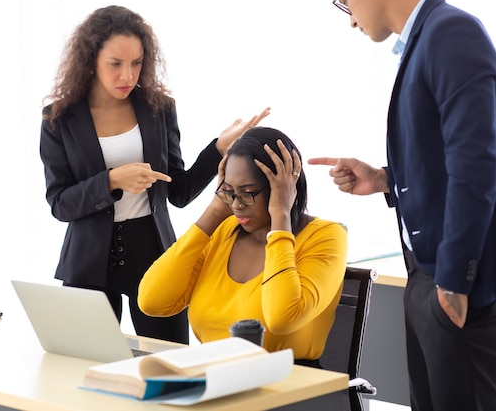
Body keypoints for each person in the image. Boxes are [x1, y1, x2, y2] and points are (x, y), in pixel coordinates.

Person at [308, 0, 496, 410]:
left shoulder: (450, 32)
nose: (351, 20)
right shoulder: (427, 39)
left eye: (343, 1)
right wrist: (383, 179)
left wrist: (453, 280)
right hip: (428, 275)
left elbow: (476, 167)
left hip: (461, 283)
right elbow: (445, 160)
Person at [40, 5, 269, 344]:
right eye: (115, 64)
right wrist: (112, 180)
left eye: (136, 63)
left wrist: (218, 149)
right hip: (87, 264)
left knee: (171, 365)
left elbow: (177, 191)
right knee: (84, 370)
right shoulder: (58, 118)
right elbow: (60, 203)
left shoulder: (158, 108)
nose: (127, 76)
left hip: (154, 255)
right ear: (91, 59)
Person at [138, 127, 347, 367]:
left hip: (286, 387)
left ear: (283, 188)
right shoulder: (224, 230)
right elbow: (151, 301)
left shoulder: (326, 236)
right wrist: (215, 210)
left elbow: (281, 319)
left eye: (247, 193)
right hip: (213, 378)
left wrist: (280, 217)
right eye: (229, 192)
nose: (236, 205)